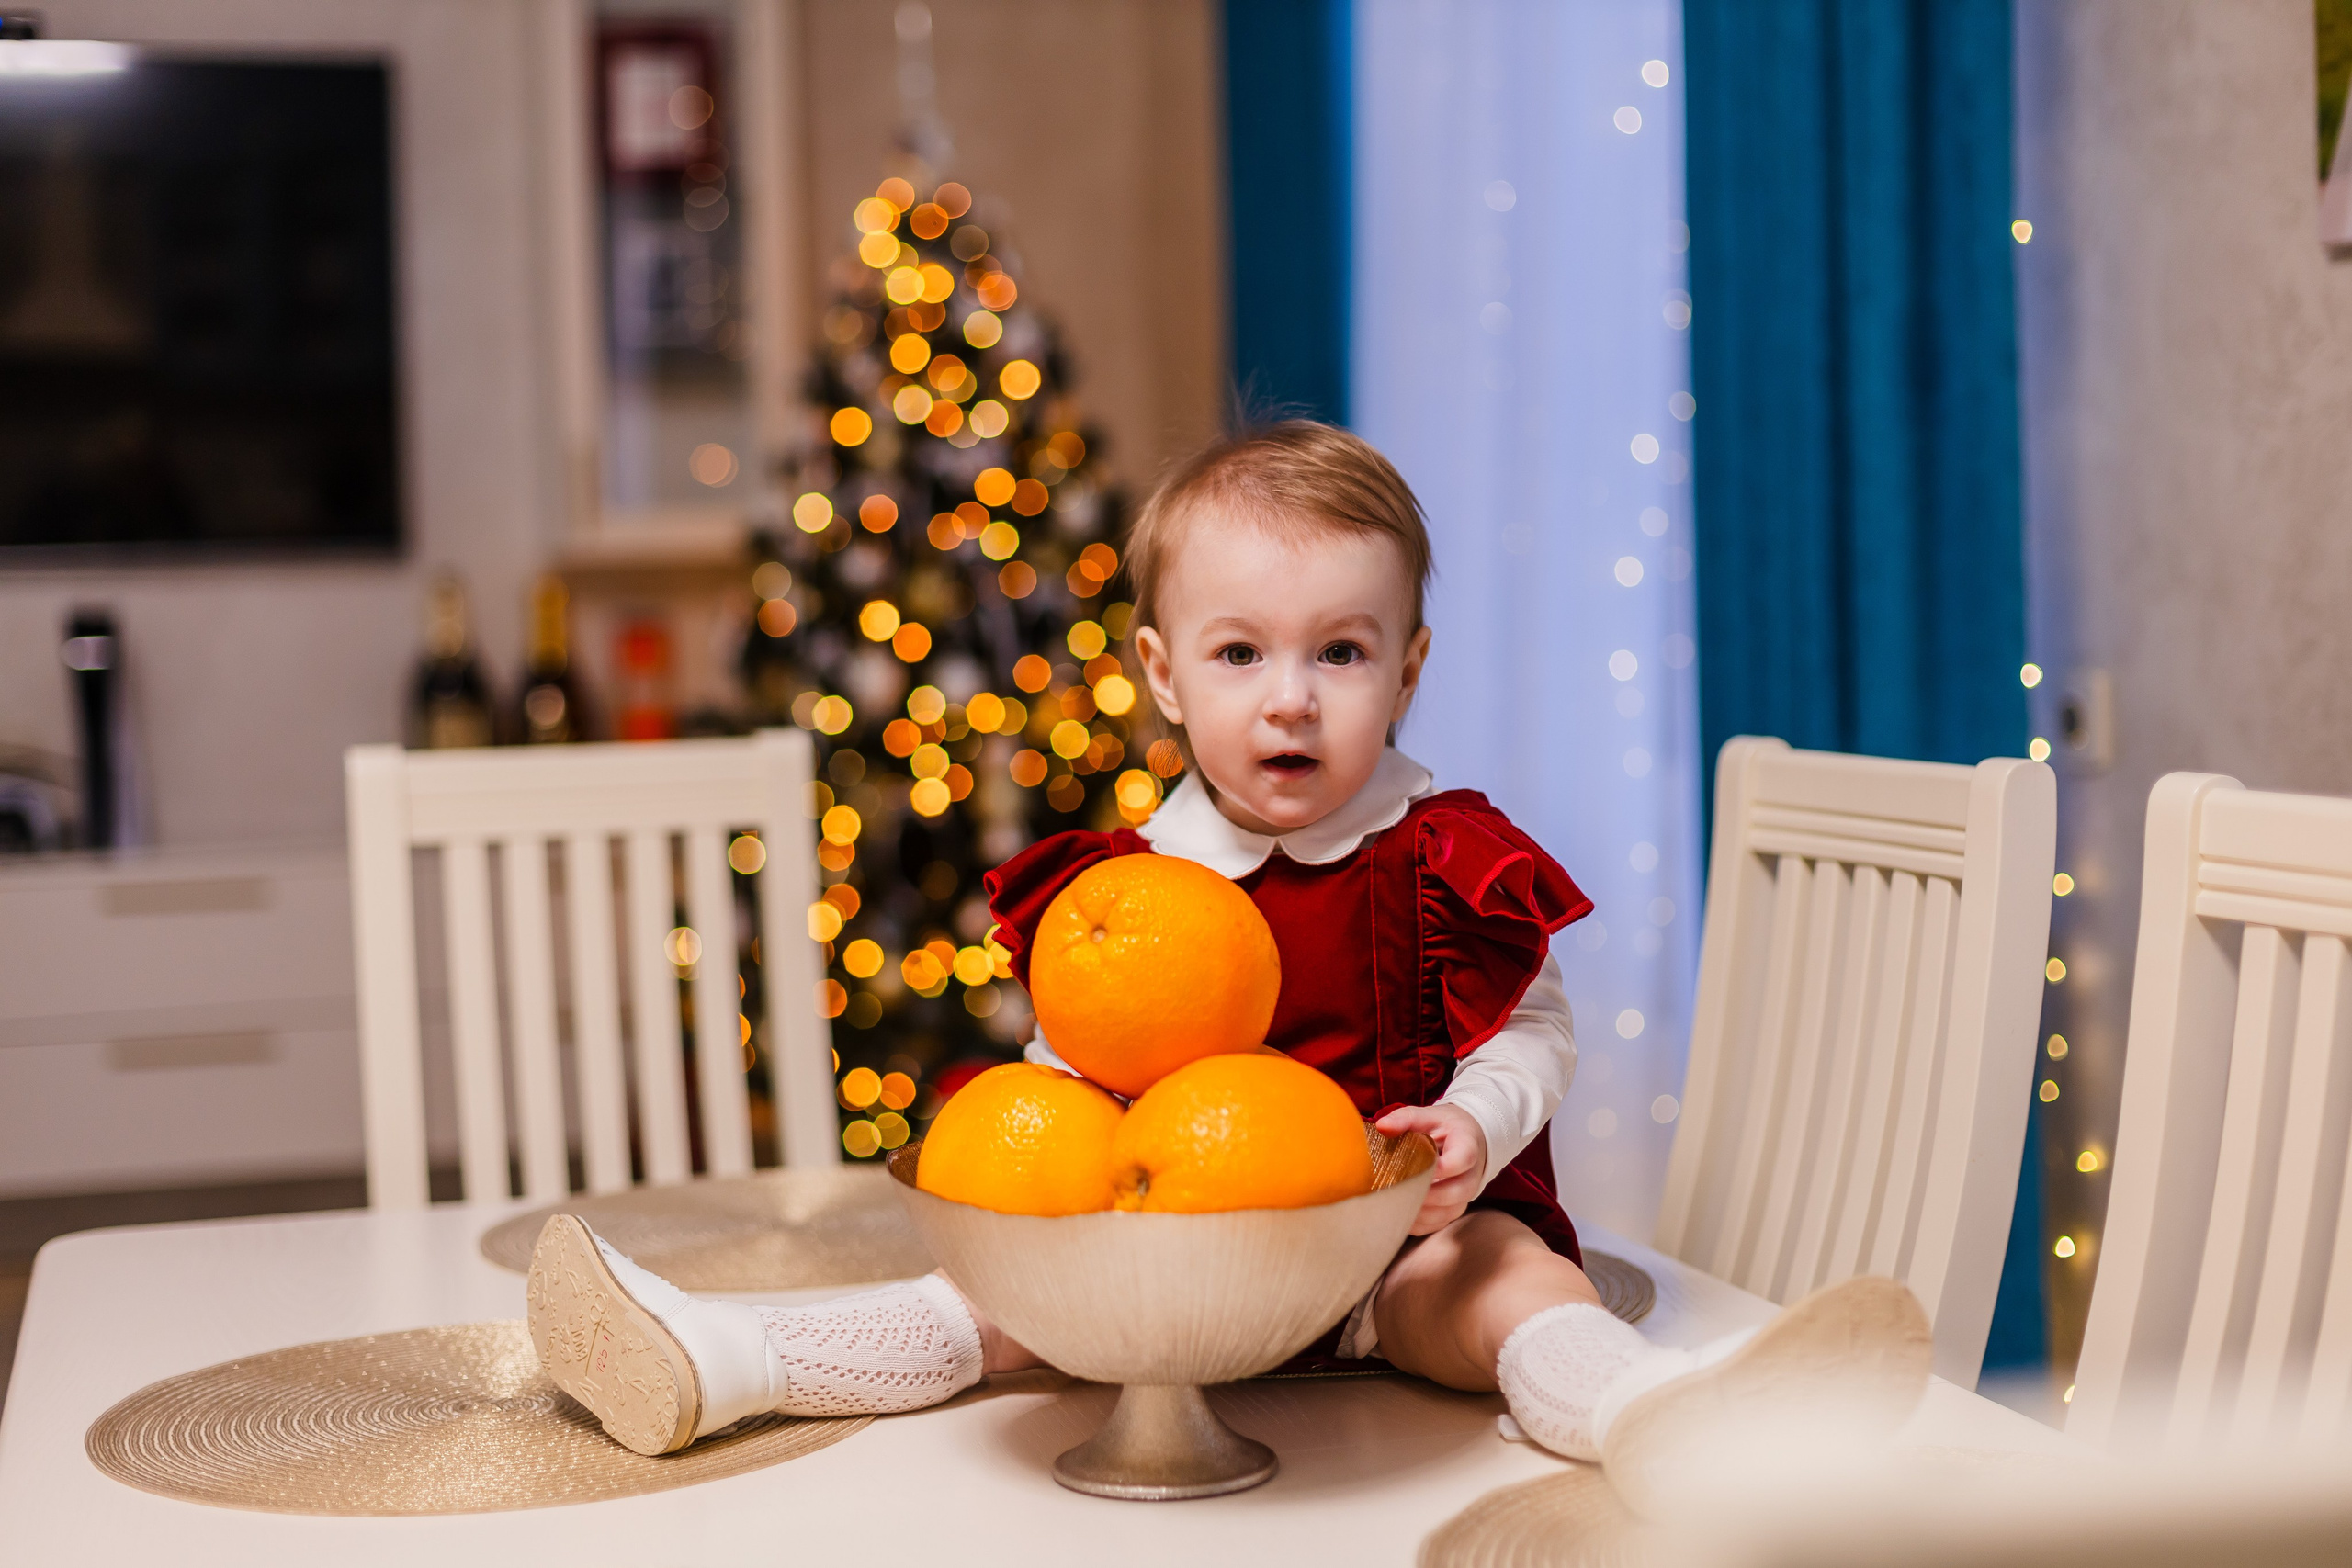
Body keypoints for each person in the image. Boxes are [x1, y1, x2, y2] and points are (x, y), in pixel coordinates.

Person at [526, 421, 1931, 1492]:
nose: (1292, 701)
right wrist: (1052, 1148)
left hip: (1393, 1249)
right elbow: (1070, 1062)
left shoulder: (1442, 853)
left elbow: (1535, 1032)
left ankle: (1650, 1416)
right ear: (1161, 674)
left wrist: (1469, 1124)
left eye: (1341, 653)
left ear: (1409, 669)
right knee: (997, 1307)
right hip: (1184, 1271)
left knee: (1508, 1282)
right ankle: (734, 1362)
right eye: (1243, 654)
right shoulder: (1137, 885)